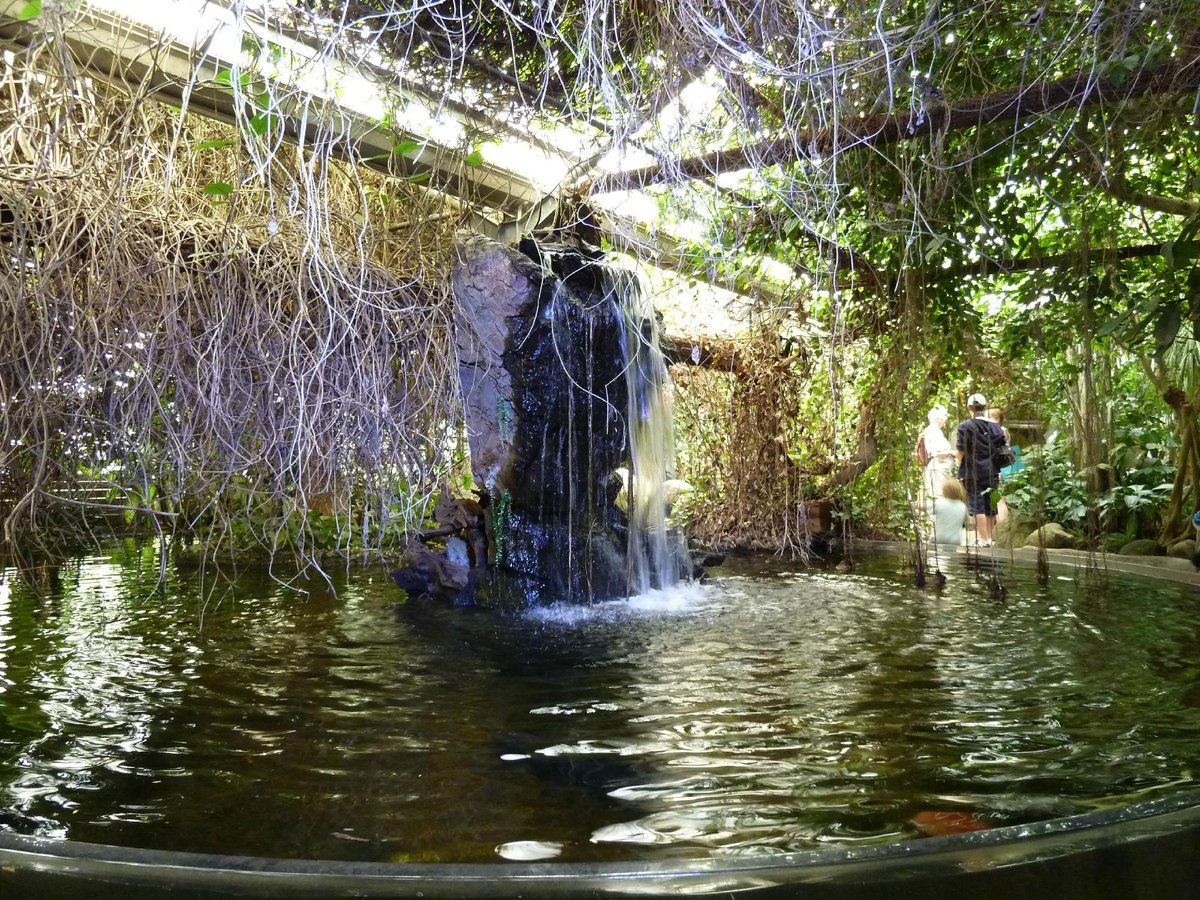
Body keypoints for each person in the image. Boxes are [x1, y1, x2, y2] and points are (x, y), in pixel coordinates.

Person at [956, 392, 1007, 546]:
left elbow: (960, 453)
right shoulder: (996, 427)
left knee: (977, 506)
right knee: (991, 504)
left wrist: (958, 466)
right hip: (993, 472)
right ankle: (990, 539)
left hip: (973, 473)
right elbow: (1002, 447)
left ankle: (983, 540)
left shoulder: (965, 427)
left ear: (969, 408)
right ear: (985, 407)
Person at [921, 404, 956, 503]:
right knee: (938, 496)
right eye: (944, 416)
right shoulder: (933, 431)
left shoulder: (936, 431)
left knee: (942, 495)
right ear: (937, 419)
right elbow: (936, 453)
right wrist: (952, 452)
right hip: (938, 469)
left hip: (941, 469)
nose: (945, 419)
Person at [931, 477, 969, 547]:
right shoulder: (962, 506)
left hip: (940, 538)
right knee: (951, 556)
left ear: (944, 491)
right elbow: (966, 521)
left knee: (936, 551)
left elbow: (928, 509)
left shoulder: (940, 503)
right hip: (955, 540)